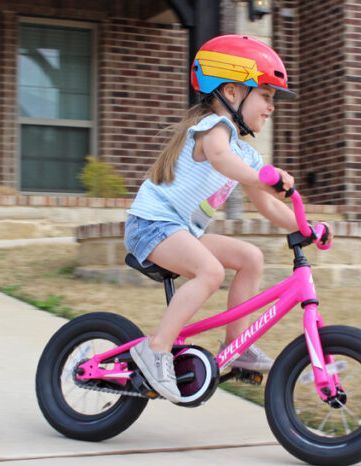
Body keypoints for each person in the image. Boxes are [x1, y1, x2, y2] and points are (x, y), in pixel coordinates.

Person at [124, 35, 332, 403]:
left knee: (251, 258)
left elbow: (268, 206)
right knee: (211, 272)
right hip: (152, 224)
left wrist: (306, 228)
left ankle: (238, 348)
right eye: (266, 96)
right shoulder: (213, 127)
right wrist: (264, 177)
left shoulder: (247, 155)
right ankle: (155, 350)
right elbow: (220, 158)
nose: (271, 107)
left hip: (182, 231)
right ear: (233, 93)